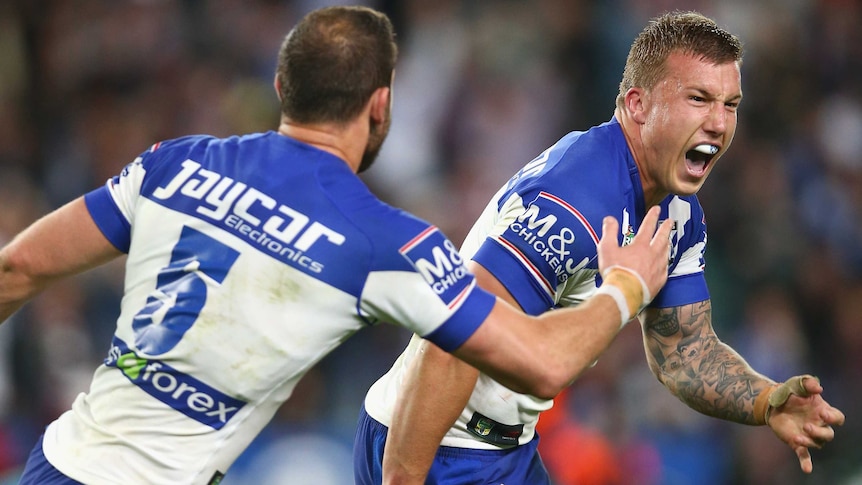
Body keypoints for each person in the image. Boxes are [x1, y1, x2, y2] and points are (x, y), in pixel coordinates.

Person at [0, 6, 677, 485]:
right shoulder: (388, 241)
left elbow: (18, 266)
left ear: (279, 87)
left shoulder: (173, 163)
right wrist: (626, 286)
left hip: (59, 464)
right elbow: (540, 362)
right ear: (381, 105)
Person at [355, 10, 846, 485]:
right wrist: (403, 479)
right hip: (436, 450)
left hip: (503, 448)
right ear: (638, 105)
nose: (719, 123)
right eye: (698, 99)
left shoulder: (676, 212)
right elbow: (455, 338)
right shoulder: (578, 201)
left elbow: (684, 351)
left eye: (730, 104)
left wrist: (766, 401)